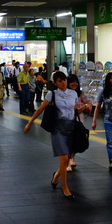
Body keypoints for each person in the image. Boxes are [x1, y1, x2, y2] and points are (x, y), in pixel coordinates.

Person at [24, 71, 77, 200]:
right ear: (55, 83)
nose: (63, 83)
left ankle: (56, 176)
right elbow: (40, 109)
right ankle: (65, 188)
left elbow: (75, 109)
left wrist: (85, 108)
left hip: (71, 128)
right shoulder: (52, 94)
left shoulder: (73, 94)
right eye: (59, 81)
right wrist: (29, 123)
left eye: (64, 80)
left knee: (66, 159)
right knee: (64, 159)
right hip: (58, 129)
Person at [67, 74, 92, 171]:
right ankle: (68, 161)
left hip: (79, 120)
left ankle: (72, 156)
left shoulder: (80, 93)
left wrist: (88, 106)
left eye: (76, 82)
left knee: (76, 139)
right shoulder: (65, 94)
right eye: (72, 82)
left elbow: (88, 102)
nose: (74, 84)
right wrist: (83, 107)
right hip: (68, 120)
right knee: (69, 140)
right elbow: (73, 110)